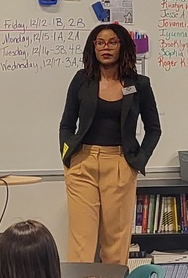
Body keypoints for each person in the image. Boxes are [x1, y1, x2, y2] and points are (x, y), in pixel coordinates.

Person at [59, 23, 162, 265]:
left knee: (115, 243)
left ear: (122, 46)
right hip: (82, 164)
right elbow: (66, 124)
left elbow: (154, 129)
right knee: (81, 242)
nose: (106, 48)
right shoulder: (81, 80)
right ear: (93, 47)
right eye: (100, 42)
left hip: (120, 164)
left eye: (112, 42)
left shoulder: (139, 84)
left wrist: (138, 161)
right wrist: (68, 157)